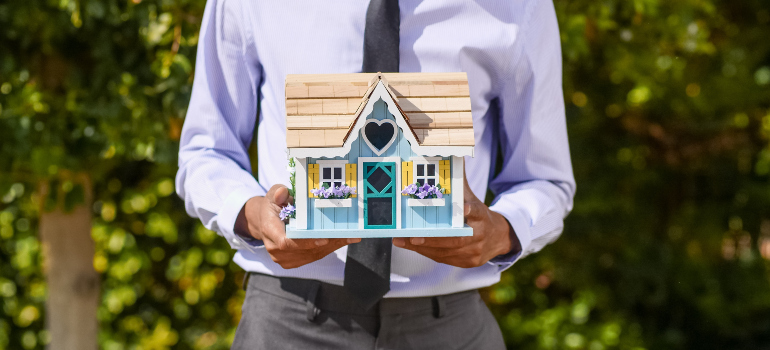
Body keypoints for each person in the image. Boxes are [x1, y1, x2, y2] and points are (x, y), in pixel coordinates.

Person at [176, 0, 575, 349]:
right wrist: (250, 215)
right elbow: (206, 150)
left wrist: (502, 232)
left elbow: (545, 179)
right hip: (287, 321)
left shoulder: (518, 5)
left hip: (449, 326)